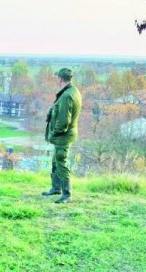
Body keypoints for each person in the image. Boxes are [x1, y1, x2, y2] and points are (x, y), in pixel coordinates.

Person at [43, 68, 82, 203]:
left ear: (60, 79)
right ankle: (56, 188)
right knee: (56, 160)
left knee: (61, 161)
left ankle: (66, 194)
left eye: (57, 78)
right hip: (65, 135)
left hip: (63, 136)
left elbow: (63, 122)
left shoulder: (66, 96)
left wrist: (53, 134)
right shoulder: (73, 90)